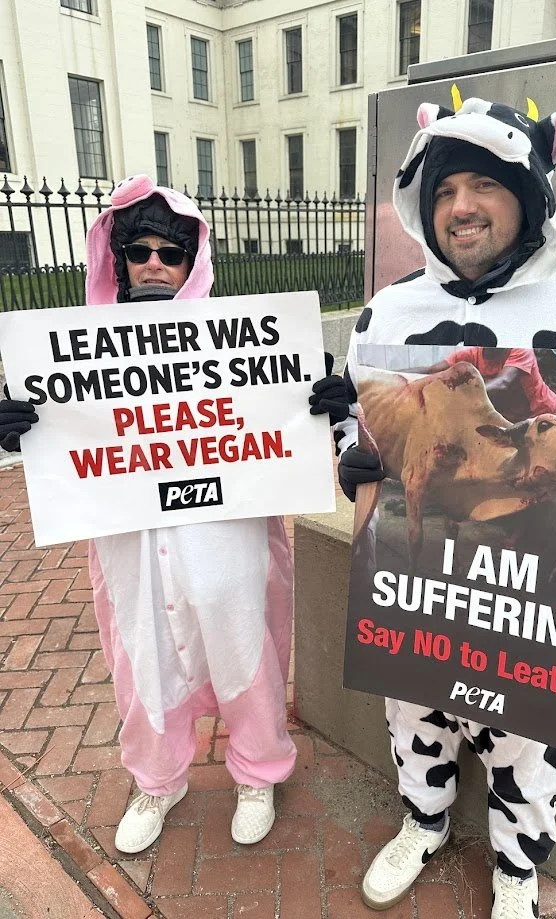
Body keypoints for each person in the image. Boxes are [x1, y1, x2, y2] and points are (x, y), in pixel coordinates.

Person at [310, 96, 556, 916]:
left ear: (529, 196)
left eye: (483, 183)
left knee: (529, 739)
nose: (461, 208)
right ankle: (423, 818)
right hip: (419, 578)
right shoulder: (386, 311)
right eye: (444, 191)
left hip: (534, 591)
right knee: (413, 704)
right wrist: (353, 458)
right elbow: (368, 434)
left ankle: (517, 863)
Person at [0, 175, 296, 853]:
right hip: (131, 542)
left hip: (223, 538)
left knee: (243, 642)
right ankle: (158, 780)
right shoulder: (70, 353)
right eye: (141, 251)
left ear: (194, 261)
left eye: (173, 251)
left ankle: (259, 770)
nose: (157, 263)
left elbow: (277, 426)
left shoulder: (242, 346)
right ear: (118, 258)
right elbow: (63, 440)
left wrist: (312, 409)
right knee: (143, 661)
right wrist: (23, 429)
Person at [402, 346, 556, 421]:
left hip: (543, 412)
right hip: (512, 419)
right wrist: (388, 374)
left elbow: (502, 384)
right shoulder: (471, 353)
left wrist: (453, 396)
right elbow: (431, 370)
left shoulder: (520, 350)